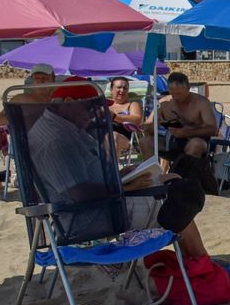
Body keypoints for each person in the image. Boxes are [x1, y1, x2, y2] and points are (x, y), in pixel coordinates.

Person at [26, 85, 212, 261]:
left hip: (96, 206)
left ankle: (198, 262)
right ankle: (202, 264)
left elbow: (82, 179)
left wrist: (121, 175)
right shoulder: (57, 141)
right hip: (90, 218)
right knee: (179, 198)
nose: (94, 114)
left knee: (173, 182)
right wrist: (121, 185)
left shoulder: (62, 128)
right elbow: (78, 193)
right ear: (68, 102)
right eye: (90, 109)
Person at [155, 72, 219, 193]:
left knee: (196, 144)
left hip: (196, 140)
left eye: (180, 93)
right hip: (172, 140)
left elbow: (213, 129)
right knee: (145, 142)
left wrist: (186, 132)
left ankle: (186, 182)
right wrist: (156, 122)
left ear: (188, 88)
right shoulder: (165, 103)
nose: (176, 97)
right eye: (173, 93)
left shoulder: (200, 102)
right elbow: (146, 126)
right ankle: (153, 180)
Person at [107, 77, 145, 155]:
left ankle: (112, 167)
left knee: (114, 137)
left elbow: (137, 120)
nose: (122, 90)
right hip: (101, 136)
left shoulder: (132, 104)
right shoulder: (105, 105)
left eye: (125, 88)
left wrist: (115, 116)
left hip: (122, 138)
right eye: (119, 87)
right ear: (111, 89)